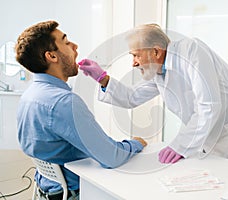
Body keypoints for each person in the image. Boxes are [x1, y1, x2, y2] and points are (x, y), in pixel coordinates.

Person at [79, 24, 228, 169]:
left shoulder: (191, 51)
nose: (134, 63)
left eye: (136, 55)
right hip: (211, 132)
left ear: (156, 51)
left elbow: (209, 104)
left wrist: (181, 145)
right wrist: (103, 79)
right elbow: (132, 97)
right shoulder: (158, 72)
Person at [15, 20, 147, 200]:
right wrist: (137, 143)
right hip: (74, 194)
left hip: (46, 188)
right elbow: (112, 157)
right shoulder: (63, 102)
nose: (75, 46)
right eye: (66, 42)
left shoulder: (30, 95)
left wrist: (103, 79)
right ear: (52, 56)